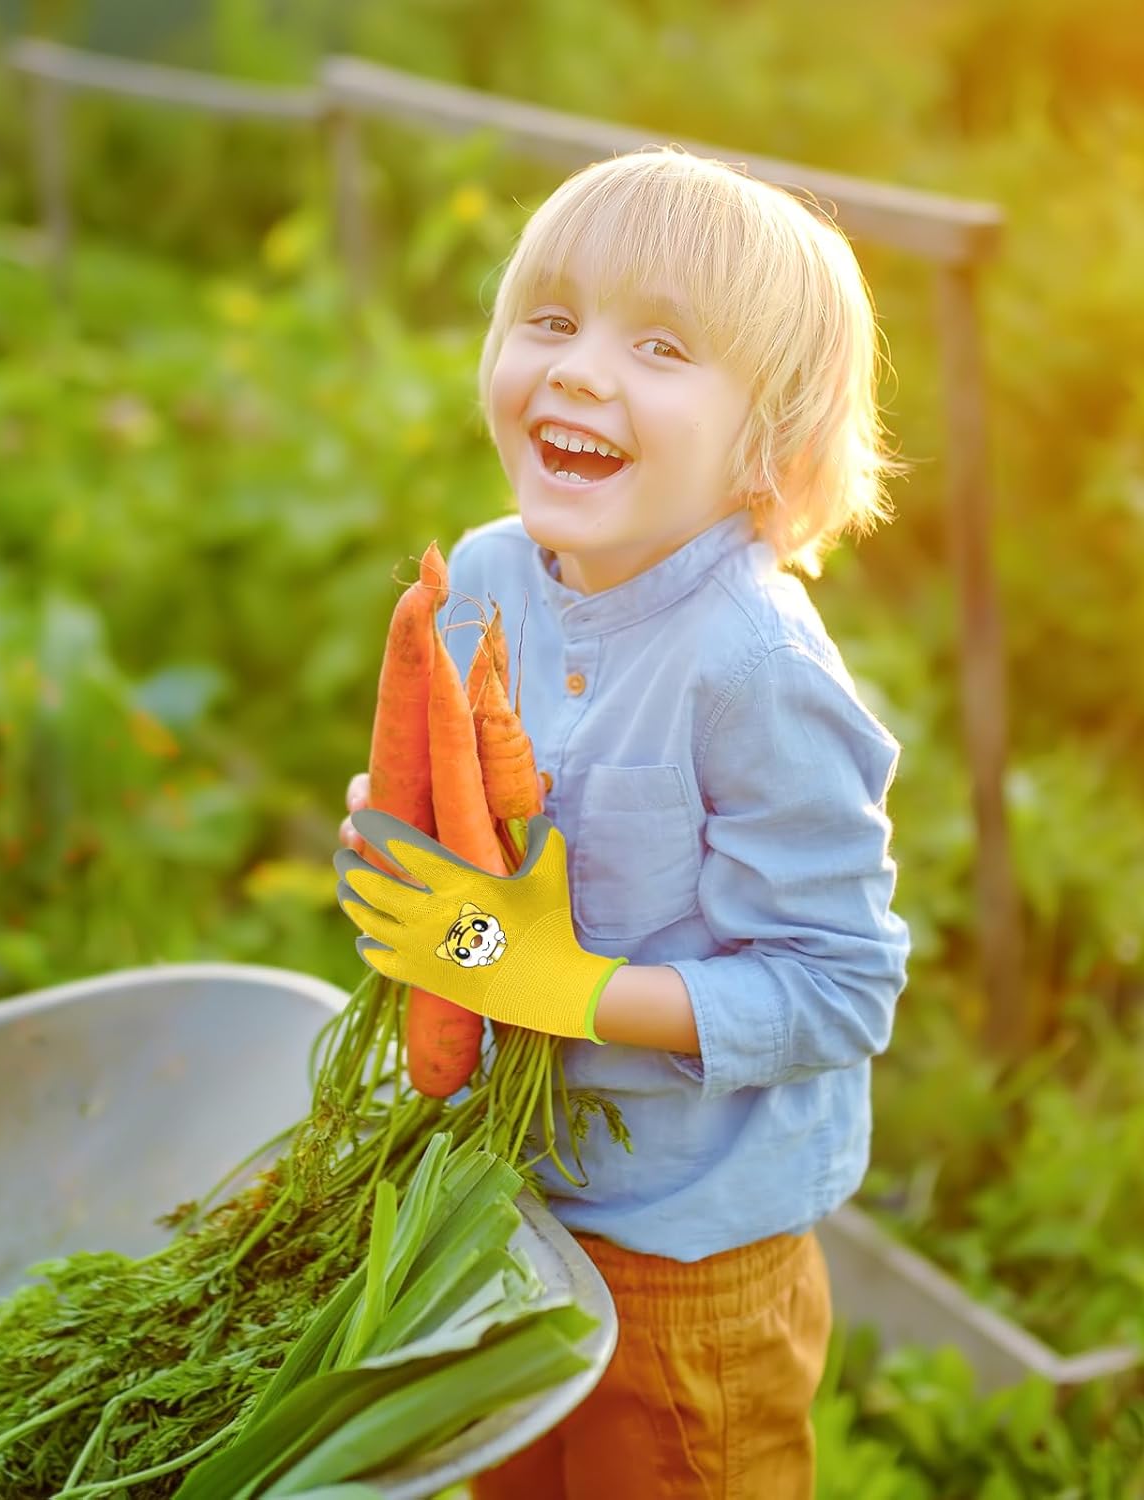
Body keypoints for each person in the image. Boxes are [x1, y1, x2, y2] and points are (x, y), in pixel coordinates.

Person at [337, 144, 910, 1498]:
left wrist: (571, 987)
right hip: (506, 1198)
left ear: (765, 437)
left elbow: (839, 992)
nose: (583, 368)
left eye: (660, 343)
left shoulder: (756, 668)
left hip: (687, 1253)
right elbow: (476, 876)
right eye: (551, 319)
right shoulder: (480, 576)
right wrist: (401, 847)